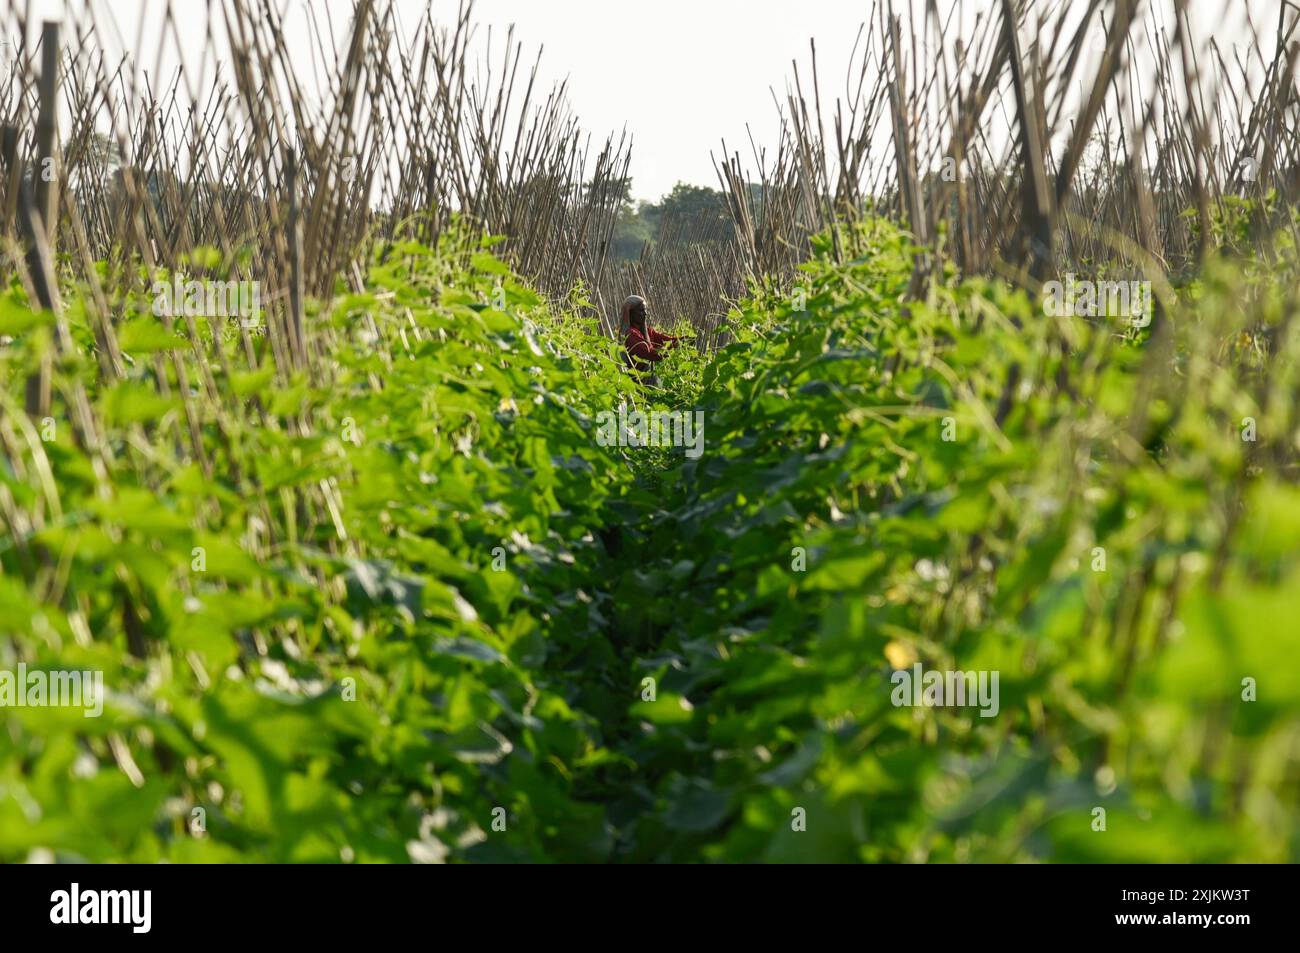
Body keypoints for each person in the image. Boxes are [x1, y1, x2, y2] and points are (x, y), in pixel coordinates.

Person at [621, 295, 680, 387]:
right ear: (631, 313)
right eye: (641, 310)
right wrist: (672, 346)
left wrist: (683, 340)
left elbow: (666, 340)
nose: (645, 313)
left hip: (647, 380)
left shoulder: (647, 332)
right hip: (635, 384)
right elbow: (650, 354)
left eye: (645, 310)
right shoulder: (630, 334)